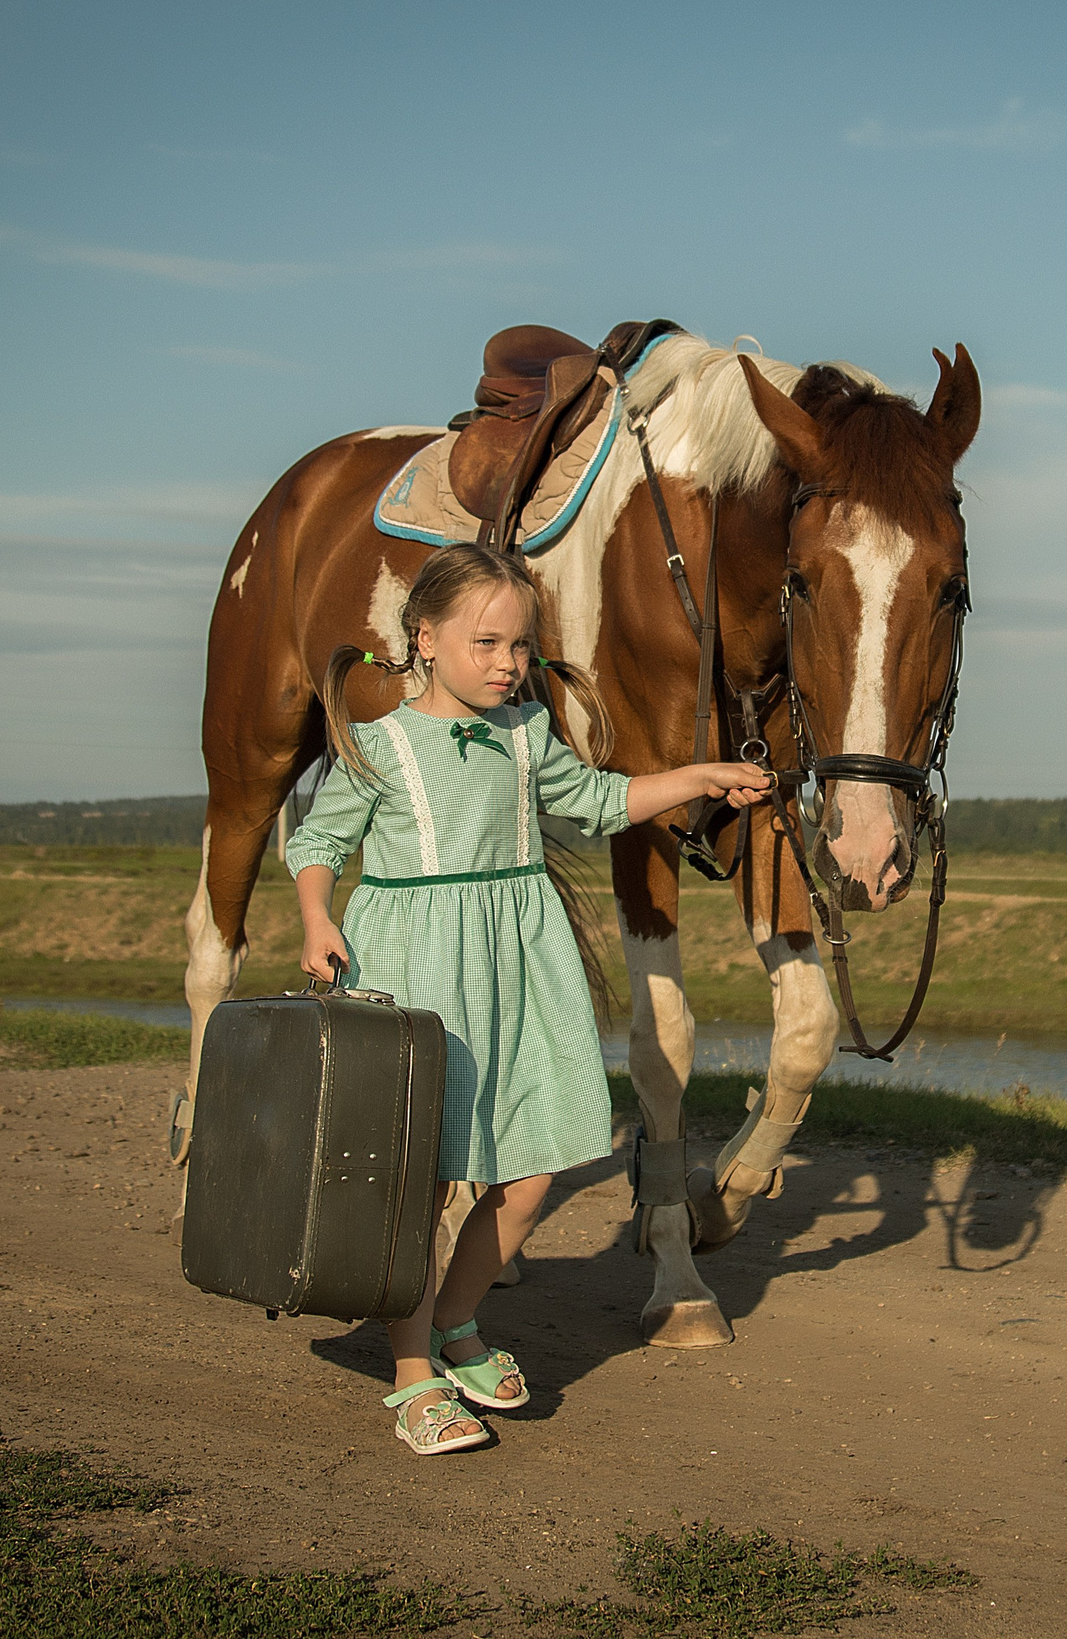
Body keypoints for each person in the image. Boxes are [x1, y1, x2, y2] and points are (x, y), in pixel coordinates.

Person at [284, 543, 768, 1455]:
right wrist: (317, 918)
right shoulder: (381, 745)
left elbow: (601, 799)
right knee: (422, 1177)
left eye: (521, 645)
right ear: (425, 638)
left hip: (517, 959)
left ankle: (455, 1319)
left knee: (536, 1158)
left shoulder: (526, 734)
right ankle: (412, 1372)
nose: (509, 663)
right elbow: (319, 842)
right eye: (487, 643)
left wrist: (699, 777)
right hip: (419, 966)